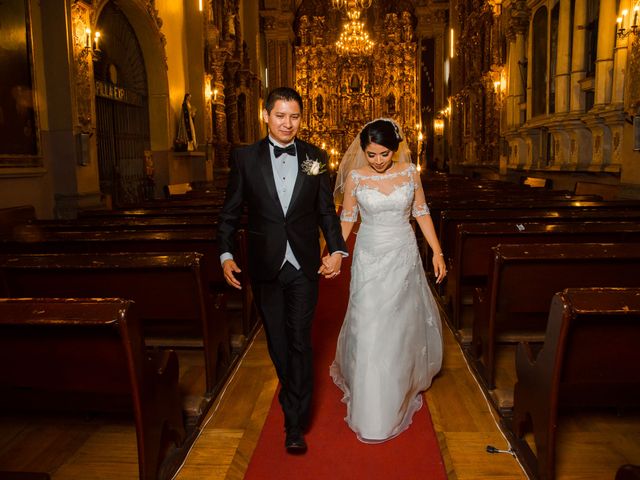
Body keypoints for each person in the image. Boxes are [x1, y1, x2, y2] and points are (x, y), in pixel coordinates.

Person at [217, 87, 348, 453]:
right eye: (280, 116)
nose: (287, 123)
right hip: (265, 264)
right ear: (266, 116)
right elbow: (229, 213)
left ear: (301, 119)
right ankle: (293, 395)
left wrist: (336, 249)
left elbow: (325, 210)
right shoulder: (244, 158)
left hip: (304, 265)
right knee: (277, 342)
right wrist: (226, 254)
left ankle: (294, 421)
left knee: (300, 340)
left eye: (294, 117)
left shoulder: (316, 157)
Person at [329, 118, 446, 443]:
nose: (378, 161)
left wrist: (436, 252)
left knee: (397, 325)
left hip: (403, 254)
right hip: (369, 257)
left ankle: (395, 389)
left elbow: (421, 212)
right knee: (368, 323)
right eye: (371, 155)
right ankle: (370, 404)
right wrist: (336, 253)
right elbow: (348, 218)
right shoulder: (355, 177)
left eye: (383, 154)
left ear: (395, 150)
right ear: (362, 152)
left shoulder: (409, 173)